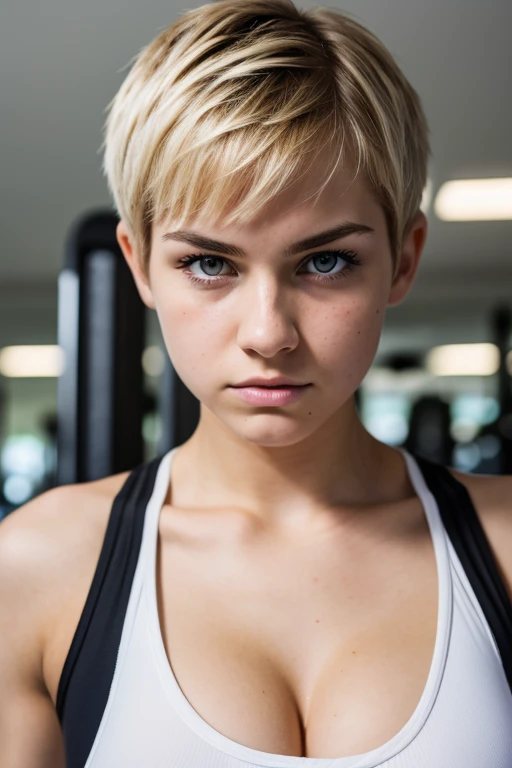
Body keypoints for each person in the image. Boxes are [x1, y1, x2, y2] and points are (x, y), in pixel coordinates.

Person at [1, 1, 511, 766]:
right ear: (140, 264)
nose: (269, 333)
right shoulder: (33, 571)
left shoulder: (506, 548)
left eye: (325, 261)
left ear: (403, 261)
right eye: (210, 264)